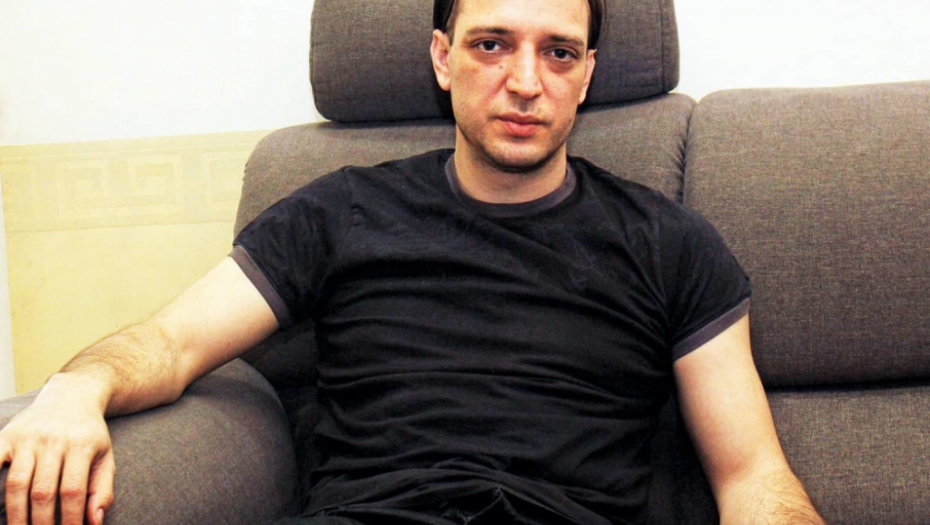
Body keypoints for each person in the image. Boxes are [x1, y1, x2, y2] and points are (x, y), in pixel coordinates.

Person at [0, 0, 828, 524]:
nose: (526, 82)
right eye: (492, 44)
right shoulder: (338, 211)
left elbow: (753, 476)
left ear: (586, 76)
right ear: (441, 57)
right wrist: (77, 388)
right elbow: (172, 341)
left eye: (559, 53)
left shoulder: (670, 243)